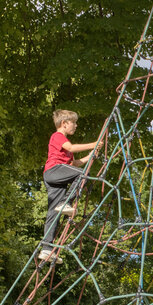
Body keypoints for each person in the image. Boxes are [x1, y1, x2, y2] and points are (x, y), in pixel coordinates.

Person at [39, 109, 98, 262]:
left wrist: (90, 156)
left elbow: (74, 164)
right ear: (64, 124)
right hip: (54, 171)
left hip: (56, 176)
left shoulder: (64, 147)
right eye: (74, 123)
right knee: (82, 175)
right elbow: (71, 148)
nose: (76, 126)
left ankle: (46, 248)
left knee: (53, 212)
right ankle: (67, 202)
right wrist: (94, 144)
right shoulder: (57, 136)